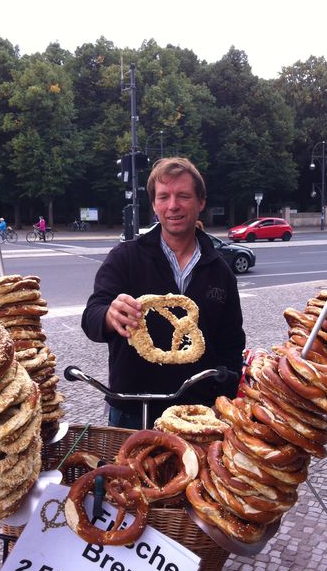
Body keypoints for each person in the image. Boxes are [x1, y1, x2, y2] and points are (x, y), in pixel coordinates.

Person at [82, 157, 245, 429]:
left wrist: (224, 391)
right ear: (155, 205)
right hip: (134, 409)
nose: (173, 206)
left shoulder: (220, 271)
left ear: (200, 202)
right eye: (164, 197)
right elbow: (92, 316)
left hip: (196, 412)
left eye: (183, 196)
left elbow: (231, 343)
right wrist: (110, 316)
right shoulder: (126, 257)